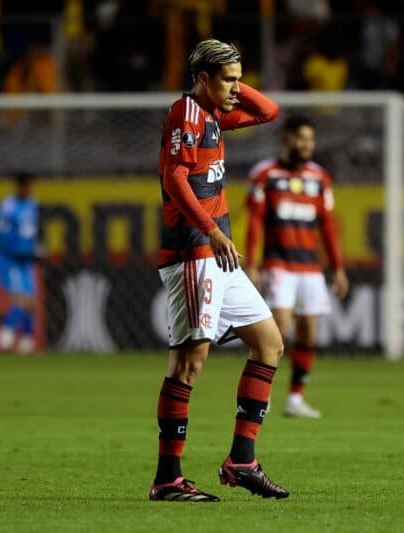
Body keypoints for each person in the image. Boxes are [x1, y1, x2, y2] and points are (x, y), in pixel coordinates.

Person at [150, 38, 287, 503]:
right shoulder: (186, 113)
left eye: (239, 78)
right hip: (195, 250)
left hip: (217, 254)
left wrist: (233, 85)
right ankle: (168, 479)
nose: (237, 88)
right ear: (202, 79)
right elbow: (175, 178)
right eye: (228, 78)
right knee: (189, 363)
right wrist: (210, 229)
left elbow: (268, 111)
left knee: (268, 344)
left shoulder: (211, 114)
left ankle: (242, 461)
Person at [245, 115, 348, 419]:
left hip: (310, 267)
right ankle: (264, 397)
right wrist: (252, 264)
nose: (307, 145)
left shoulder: (319, 178)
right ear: (287, 139)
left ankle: (295, 398)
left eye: (310, 139)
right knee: (277, 334)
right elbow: (254, 222)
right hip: (278, 265)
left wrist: (338, 268)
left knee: (307, 334)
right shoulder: (265, 174)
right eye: (302, 138)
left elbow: (328, 227)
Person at [0, 173, 41, 354]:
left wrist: (35, 249)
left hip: (26, 260)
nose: (30, 190)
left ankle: (26, 342)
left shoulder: (32, 205)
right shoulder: (7, 207)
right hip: (10, 260)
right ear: (20, 186)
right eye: (28, 186)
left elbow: (32, 233)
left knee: (30, 301)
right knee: (23, 301)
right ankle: (5, 336)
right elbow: (2, 236)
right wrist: (18, 251)